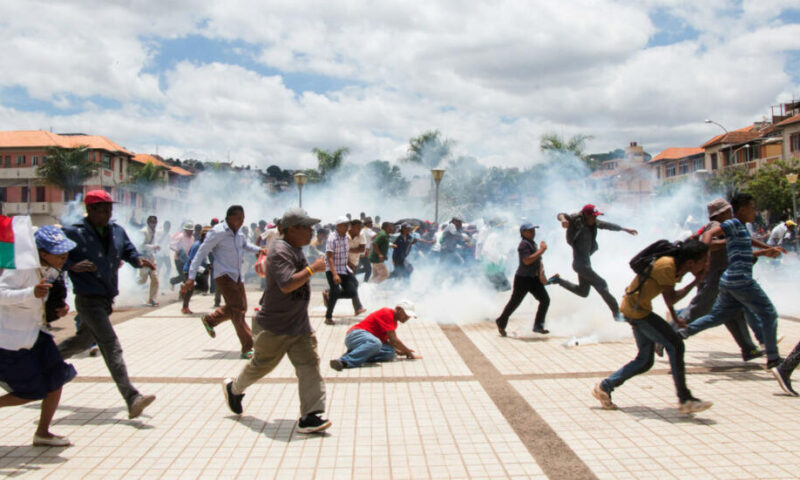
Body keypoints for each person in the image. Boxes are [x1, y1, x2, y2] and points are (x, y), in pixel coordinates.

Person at [222, 208, 331, 433]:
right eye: (307, 227)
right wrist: (313, 269)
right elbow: (287, 284)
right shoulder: (280, 250)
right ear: (291, 229)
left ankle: (310, 416)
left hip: (298, 325)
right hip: (274, 326)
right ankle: (234, 388)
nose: (312, 231)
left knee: (309, 365)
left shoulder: (296, 248)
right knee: (262, 366)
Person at [57, 190, 157, 419]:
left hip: (106, 298)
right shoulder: (74, 233)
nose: (107, 213)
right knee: (110, 345)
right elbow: (54, 257)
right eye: (102, 209)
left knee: (81, 342)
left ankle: (44, 359)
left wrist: (137, 261)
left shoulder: (116, 230)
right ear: (90, 210)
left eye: (109, 209)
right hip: (87, 299)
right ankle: (132, 397)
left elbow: (128, 250)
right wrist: (72, 265)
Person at [593, 239, 712, 414]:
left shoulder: (676, 267)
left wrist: (675, 318)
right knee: (676, 345)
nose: (706, 264)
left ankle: (605, 386)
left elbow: (667, 294)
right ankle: (685, 399)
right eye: (704, 261)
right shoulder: (667, 266)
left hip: (635, 308)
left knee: (645, 360)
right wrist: (696, 281)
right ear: (691, 262)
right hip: (637, 311)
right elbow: (671, 298)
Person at [678, 193, 787, 370]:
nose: (755, 211)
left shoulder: (741, 227)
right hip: (739, 280)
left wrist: (768, 249)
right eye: (752, 208)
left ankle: (681, 333)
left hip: (728, 281)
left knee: (717, 316)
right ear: (742, 209)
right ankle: (773, 358)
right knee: (768, 313)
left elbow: (747, 244)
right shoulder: (730, 224)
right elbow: (710, 235)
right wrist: (703, 251)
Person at [0, 225, 78, 446]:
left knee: (57, 377)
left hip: (37, 335)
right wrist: (30, 293)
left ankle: (43, 432)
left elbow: (42, 303)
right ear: (42, 253)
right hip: (11, 341)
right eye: (58, 252)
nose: (64, 256)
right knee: (31, 391)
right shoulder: (20, 268)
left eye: (65, 251)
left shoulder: (52, 269)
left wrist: (57, 310)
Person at [183, 206, 265, 359]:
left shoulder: (239, 232)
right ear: (230, 217)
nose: (242, 221)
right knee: (238, 311)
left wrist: (260, 250)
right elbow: (201, 253)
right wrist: (191, 276)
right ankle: (248, 347)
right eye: (240, 218)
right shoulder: (218, 232)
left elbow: (245, 245)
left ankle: (210, 320)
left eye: (243, 218)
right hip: (223, 275)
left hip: (237, 275)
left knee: (240, 308)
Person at [549, 204, 638, 321]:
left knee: (583, 292)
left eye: (596, 216)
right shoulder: (576, 220)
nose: (595, 219)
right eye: (592, 216)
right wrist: (564, 220)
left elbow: (607, 225)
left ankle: (558, 280)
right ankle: (616, 313)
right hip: (580, 264)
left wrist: (624, 229)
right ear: (585, 215)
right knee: (602, 283)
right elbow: (561, 215)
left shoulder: (594, 222)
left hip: (584, 263)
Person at [330, 300, 422, 370]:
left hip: (368, 341)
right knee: (375, 343)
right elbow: (394, 340)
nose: (407, 317)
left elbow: (385, 341)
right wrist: (408, 353)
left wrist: (398, 351)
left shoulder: (394, 323)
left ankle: (356, 354)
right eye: (406, 314)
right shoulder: (387, 313)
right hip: (356, 335)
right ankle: (344, 361)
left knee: (390, 353)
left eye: (409, 316)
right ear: (398, 309)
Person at [495, 223, 550, 337]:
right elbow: (527, 261)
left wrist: (542, 274)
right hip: (523, 279)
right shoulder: (523, 244)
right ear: (523, 233)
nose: (533, 233)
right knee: (515, 302)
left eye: (533, 230)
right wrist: (542, 250)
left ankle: (538, 326)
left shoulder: (532, 243)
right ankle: (501, 321)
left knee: (545, 300)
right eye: (530, 231)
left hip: (533, 278)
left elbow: (538, 260)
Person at [322, 216, 366, 325]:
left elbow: (345, 253)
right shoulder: (332, 238)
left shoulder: (345, 238)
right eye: (344, 225)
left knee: (352, 290)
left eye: (347, 225)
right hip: (333, 269)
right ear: (338, 226)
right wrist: (335, 274)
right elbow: (329, 257)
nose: (347, 227)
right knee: (336, 291)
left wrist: (349, 263)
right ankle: (328, 317)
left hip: (344, 268)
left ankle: (330, 294)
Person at [181, 226, 211, 314]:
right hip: (189, 269)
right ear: (203, 236)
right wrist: (202, 270)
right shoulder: (196, 245)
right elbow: (191, 261)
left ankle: (185, 288)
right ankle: (185, 307)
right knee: (190, 288)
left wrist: (208, 263)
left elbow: (205, 255)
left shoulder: (204, 244)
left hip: (197, 269)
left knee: (205, 287)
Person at [137, 215, 160, 307]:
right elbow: (140, 246)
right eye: (152, 222)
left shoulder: (155, 232)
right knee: (143, 280)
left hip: (151, 257)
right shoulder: (143, 232)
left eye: (155, 222)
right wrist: (153, 247)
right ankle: (131, 285)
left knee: (155, 278)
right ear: (148, 222)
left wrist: (155, 247)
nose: (153, 224)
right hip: (143, 258)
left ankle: (152, 299)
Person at [169, 221, 194, 288]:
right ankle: (183, 291)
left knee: (186, 275)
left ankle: (173, 281)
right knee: (184, 276)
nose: (191, 232)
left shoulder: (192, 238)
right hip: (179, 260)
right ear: (186, 230)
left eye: (192, 230)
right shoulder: (180, 236)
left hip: (187, 259)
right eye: (189, 230)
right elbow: (172, 245)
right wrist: (178, 250)